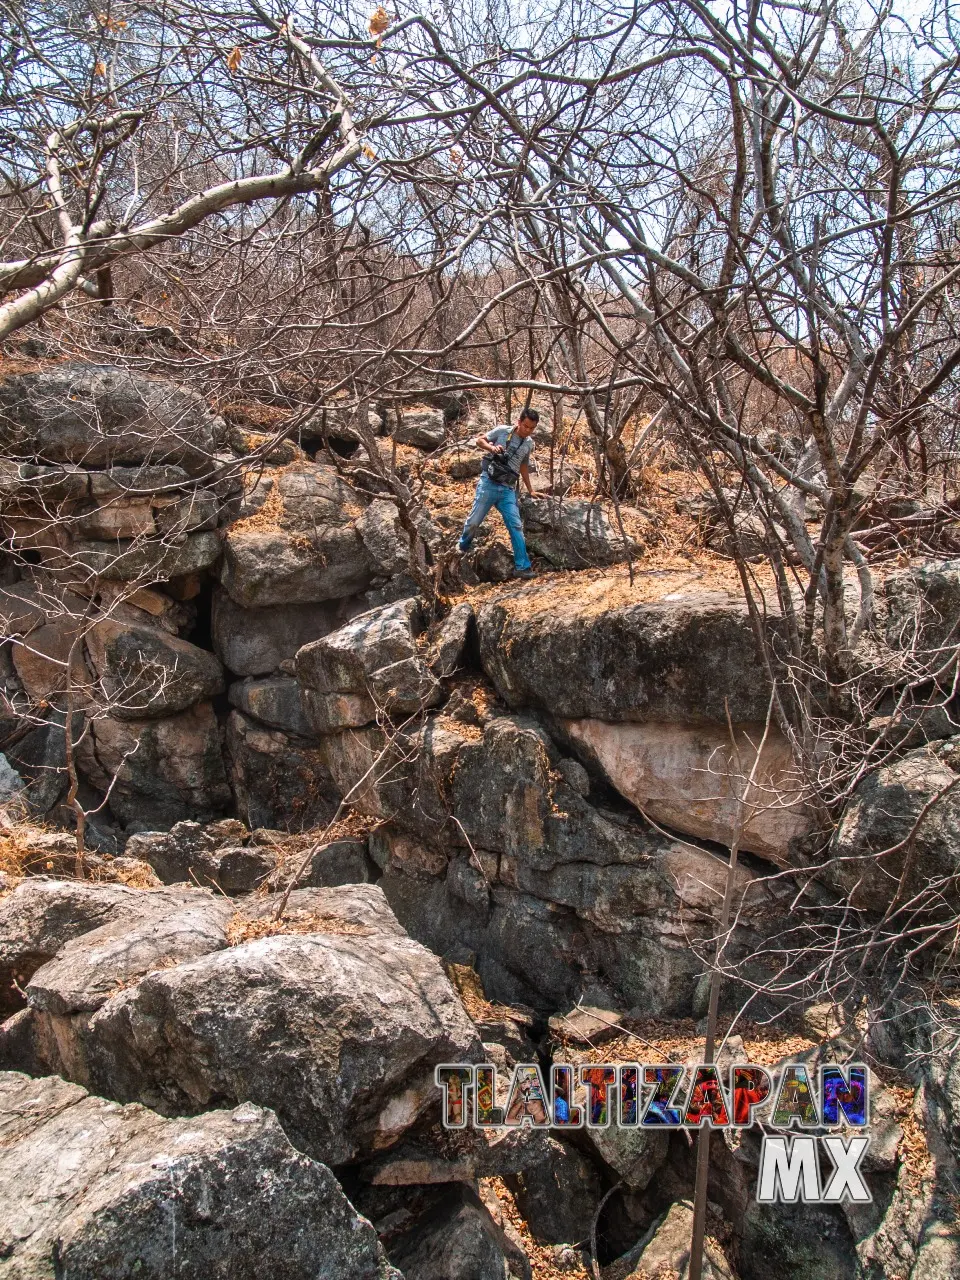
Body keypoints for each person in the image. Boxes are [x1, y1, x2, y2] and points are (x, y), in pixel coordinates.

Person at [458, 408, 539, 579]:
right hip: (488, 483)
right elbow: (479, 440)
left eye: (532, 428)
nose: (528, 430)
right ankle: (461, 550)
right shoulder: (503, 431)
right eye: (525, 426)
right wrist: (491, 448)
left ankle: (522, 567)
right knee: (474, 522)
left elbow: (524, 466)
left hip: (508, 489)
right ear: (519, 422)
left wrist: (530, 489)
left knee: (516, 526)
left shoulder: (529, 443)